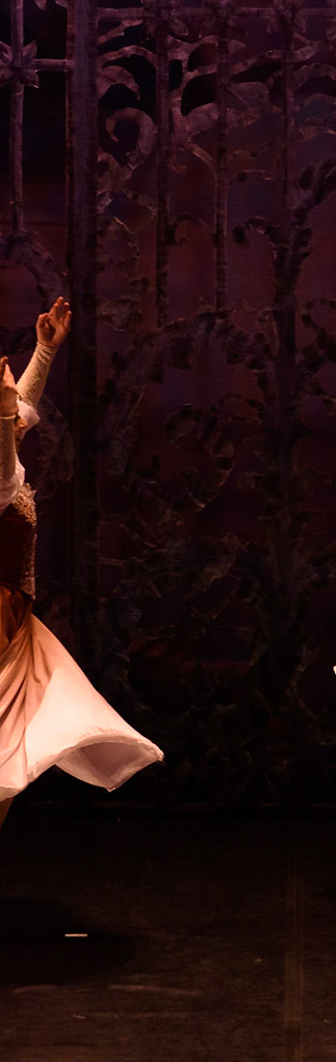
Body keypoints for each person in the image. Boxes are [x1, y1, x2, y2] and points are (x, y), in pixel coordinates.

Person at [0, 297, 162, 823]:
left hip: (14, 622)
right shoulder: (0, 480)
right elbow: (6, 454)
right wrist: (4, 412)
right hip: (0, 625)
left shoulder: (7, 452)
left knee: (7, 762)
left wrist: (44, 351)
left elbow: (21, 413)